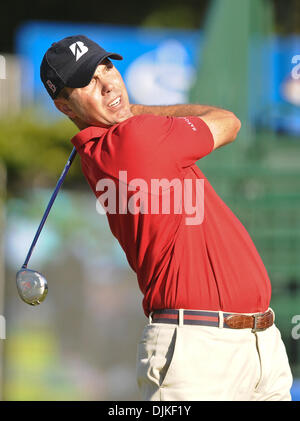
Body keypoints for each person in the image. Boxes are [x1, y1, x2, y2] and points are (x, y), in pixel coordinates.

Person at [40, 35, 293, 401]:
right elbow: (229, 122)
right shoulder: (132, 139)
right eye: (88, 81)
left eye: (107, 67)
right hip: (197, 352)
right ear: (65, 106)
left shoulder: (112, 145)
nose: (109, 82)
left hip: (258, 345)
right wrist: (139, 110)